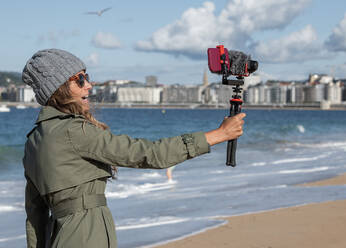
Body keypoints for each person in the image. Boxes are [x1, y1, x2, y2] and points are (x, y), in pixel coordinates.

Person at [22, 48, 246, 248]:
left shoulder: (34, 140)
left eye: (86, 76)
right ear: (59, 88)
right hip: (86, 235)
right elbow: (149, 154)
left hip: (59, 236)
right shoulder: (74, 131)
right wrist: (219, 135)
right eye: (79, 79)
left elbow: (35, 215)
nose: (89, 84)